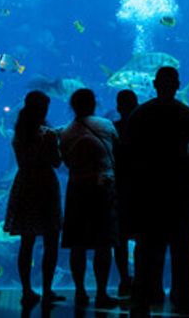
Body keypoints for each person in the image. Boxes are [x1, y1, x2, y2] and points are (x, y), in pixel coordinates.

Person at [126, 67, 189, 313]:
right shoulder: (188, 115)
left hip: (148, 192)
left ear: (153, 83)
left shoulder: (140, 114)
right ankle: (183, 300)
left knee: (147, 250)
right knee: (181, 250)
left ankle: (144, 297)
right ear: (178, 85)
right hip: (179, 192)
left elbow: (129, 155)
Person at [58, 88, 120, 309]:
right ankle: (102, 293)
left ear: (72, 106)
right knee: (103, 243)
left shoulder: (65, 131)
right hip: (104, 189)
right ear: (94, 103)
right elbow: (117, 152)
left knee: (78, 244)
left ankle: (80, 291)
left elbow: (64, 160)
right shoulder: (106, 125)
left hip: (77, 189)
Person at [3, 91, 65, 308]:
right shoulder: (47, 135)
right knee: (50, 241)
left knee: (26, 242)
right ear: (42, 110)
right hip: (45, 185)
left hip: (25, 183)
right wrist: (57, 141)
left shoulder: (18, 134)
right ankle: (47, 290)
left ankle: (27, 290)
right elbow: (56, 162)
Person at [112, 89, 139, 297]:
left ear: (118, 107)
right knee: (142, 237)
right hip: (140, 189)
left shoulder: (112, 129)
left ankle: (124, 279)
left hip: (118, 190)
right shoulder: (145, 130)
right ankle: (140, 278)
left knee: (119, 239)